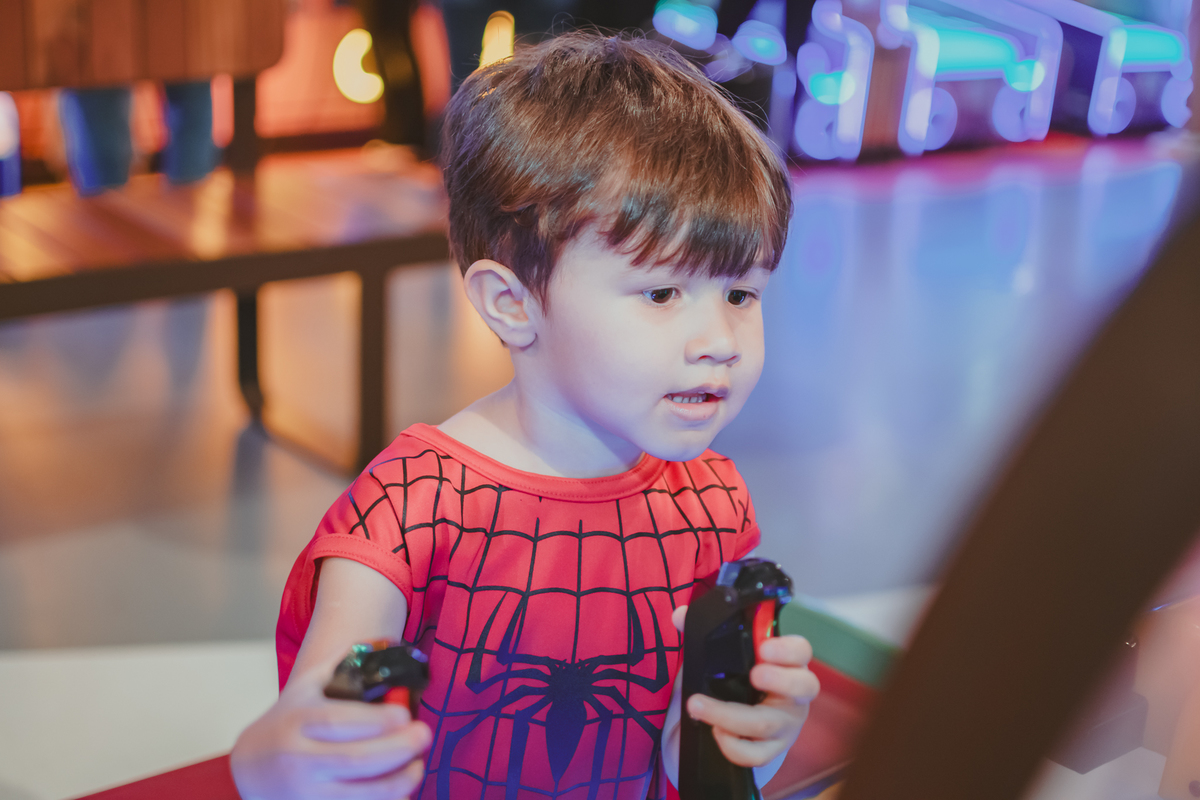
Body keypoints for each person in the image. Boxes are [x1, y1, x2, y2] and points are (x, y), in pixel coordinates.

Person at [230, 31, 818, 800]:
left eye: (741, 294)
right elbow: (308, 727)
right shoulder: (411, 505)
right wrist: (279, 759)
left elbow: (691, 769)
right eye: (662, 293)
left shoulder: (713, 505)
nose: (719, 343)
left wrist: (752, 736)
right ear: (512, 304)